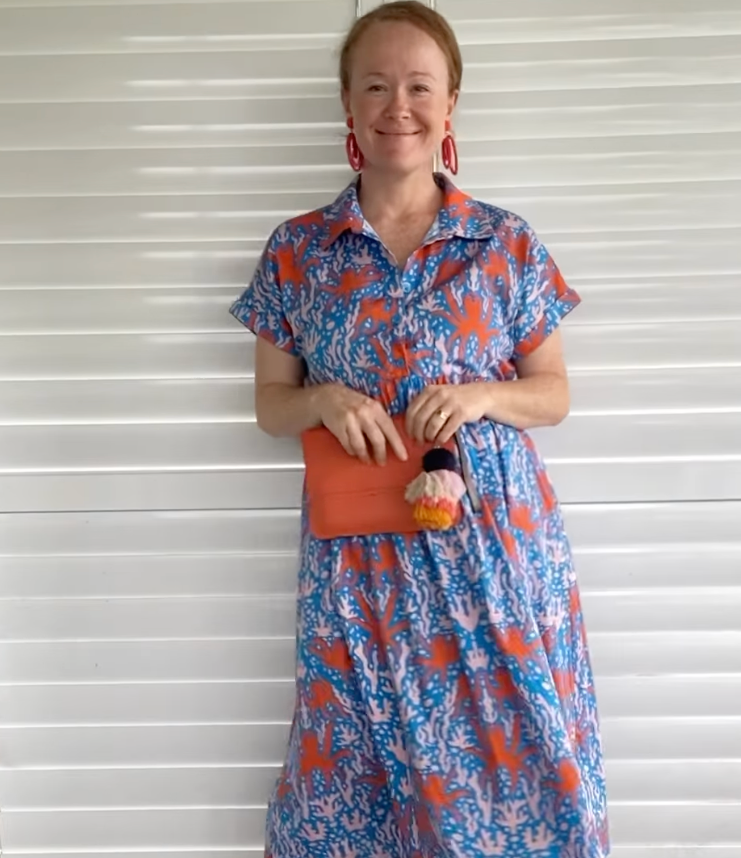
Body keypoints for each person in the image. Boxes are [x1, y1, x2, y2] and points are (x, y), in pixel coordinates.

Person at [228, 3, 609, 856]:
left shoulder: (503, 244)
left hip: (492, 558)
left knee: (520, 768)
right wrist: (323, 399)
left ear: (450, 105)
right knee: (351, 779)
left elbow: (553, 395)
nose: (398, 105)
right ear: (349, 106)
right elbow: (269, 405)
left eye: (418, 86)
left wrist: (481, 395)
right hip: (358, 572)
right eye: (376, 85)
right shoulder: (298, 251)